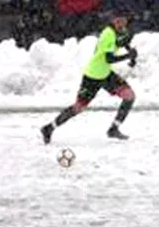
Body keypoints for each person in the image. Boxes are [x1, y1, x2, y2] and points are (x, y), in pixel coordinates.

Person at [40, 12, 137, 143]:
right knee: (78, 107)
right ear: (113, 20)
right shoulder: (107, 34)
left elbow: (123, 41)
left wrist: (130, 53)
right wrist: (128, 56)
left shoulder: (122, 30)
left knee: (129, 96)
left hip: (106, 74)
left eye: (123, 20)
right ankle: (49, 128)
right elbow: (109, 58)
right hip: (93, 76)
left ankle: (113, 129)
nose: (120, 23)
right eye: (117, 20)